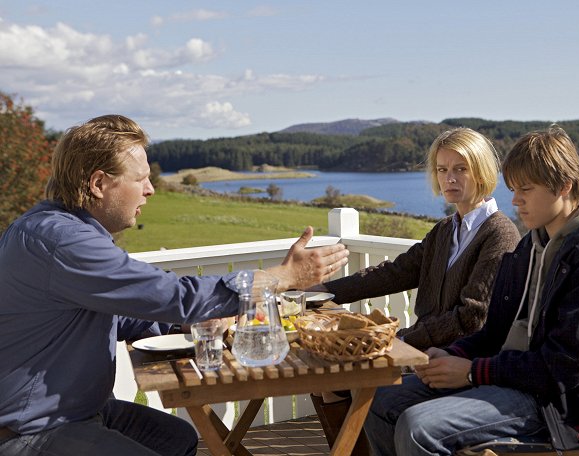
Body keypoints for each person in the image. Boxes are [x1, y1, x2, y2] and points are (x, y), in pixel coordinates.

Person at [0, 114, 349, 456]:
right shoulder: (62, 242)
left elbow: (121, 312)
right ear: (98, 184)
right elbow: (175, 296)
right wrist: (283, 277)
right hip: (35, 428)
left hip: (76, 410)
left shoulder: (61, 231)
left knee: (178, 438)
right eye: (140, 179)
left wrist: (185, 322)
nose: (150, 190)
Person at [363, 125, 579, 455]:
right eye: (513, 188)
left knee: (420, 428)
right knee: (380, 398)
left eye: (526, 189)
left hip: (563, 407)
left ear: (564, 186)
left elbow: (566, 366)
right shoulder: (531, 247)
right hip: (514, 380)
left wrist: (472, 372)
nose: (515, 200)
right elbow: (494, 332)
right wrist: (455, 354)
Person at [308, 127, 521, 452]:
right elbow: (394, 273)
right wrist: (325, 291)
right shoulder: (445, 230)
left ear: (481, 170)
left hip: (456, 359)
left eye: (460, 169)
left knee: (362, 388)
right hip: (421, 347)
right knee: (328, 383)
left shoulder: (500, 234)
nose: (450, 178)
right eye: (442, 169)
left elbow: (472, 318)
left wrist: (403, 341)